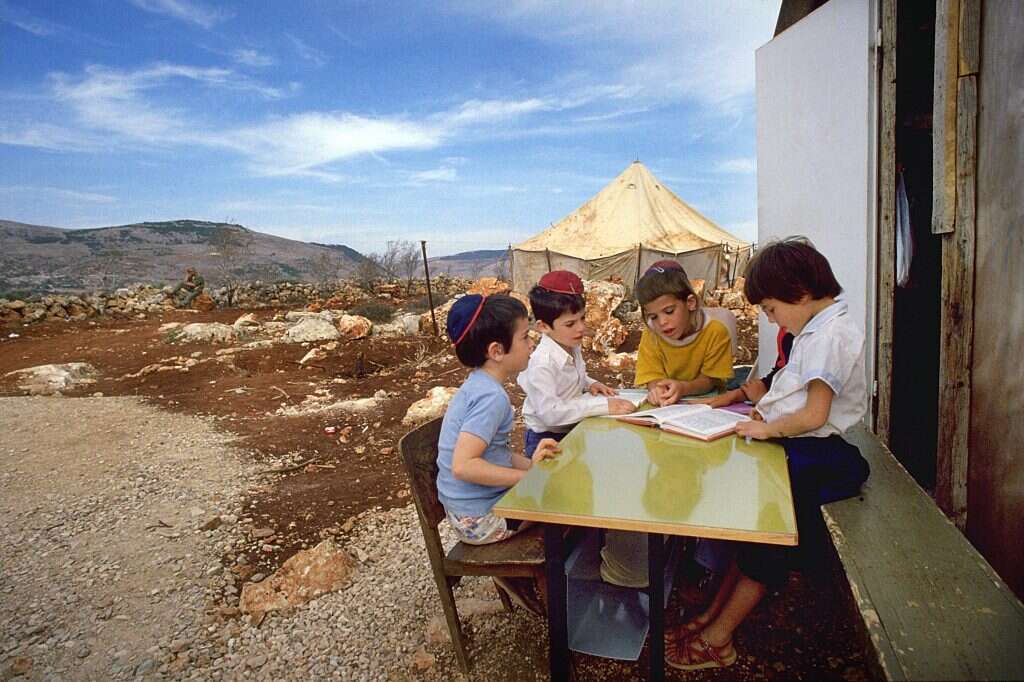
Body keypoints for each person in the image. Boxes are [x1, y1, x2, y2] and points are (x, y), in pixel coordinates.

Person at [666, 237, 870, 671]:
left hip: (816, 455)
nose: (771, 318)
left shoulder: (831, 335)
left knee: (764, 543)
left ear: (798, 292)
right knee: (750, 531)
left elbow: (815, 414)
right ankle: (709, 618)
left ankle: (719, 638)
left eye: (772, 309)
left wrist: (766, 428)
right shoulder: (815, 330)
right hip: (798, 447)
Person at [436, 293, 560, 546]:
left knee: (555, 488)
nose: (532, 344)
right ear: (497, 350)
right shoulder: (491, 398)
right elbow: (464, 466)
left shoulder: (478, 385)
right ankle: (553, 581)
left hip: (465, 511)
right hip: (481, 520)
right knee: (565, 504)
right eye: (525, 337)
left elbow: (494, 453)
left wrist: (532, 468)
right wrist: (528, 479)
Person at [517, 270, 635, 458]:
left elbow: (574, 374)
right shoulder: (541, 364)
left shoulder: (569, 344)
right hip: (546, 438)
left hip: (572, 425)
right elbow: (551, 413)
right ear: (543, 326)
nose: (580, 328)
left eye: (582, 318)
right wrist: (605, 406)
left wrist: (590, 383)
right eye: (570, 324)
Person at [634, 260, 734, 406]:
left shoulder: (715, 332)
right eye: (653, 317)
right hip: (667, 408)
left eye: (669, 311)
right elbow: (651, 375)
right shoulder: (652, 334)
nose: (662, 322)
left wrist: (683, 388)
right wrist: (657, 390)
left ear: (690, 303)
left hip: (707, 406)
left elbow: (710, 380)